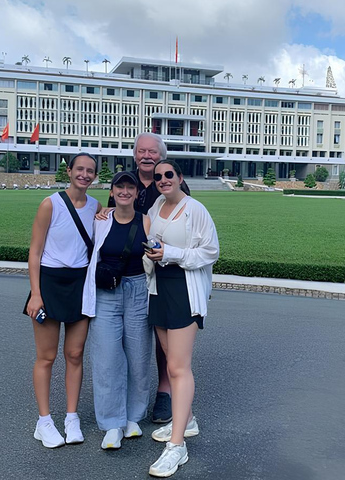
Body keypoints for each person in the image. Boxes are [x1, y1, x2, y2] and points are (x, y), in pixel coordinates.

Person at [100, 132, 190, 425]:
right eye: (142, 151)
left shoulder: (169, 179)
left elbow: (187, 223)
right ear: (135, 154)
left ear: (161, 155)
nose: (147, 156)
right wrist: (104, 213)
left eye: (153, 151)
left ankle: (165, 390)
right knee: (132, 339)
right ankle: (124, 401)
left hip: (165, 269)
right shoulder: (127, 182)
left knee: (164, 336)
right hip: (130, 272)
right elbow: (111, 216)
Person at [144, 159, 219, 478]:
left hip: (184, 290)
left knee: (178, 366)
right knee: (169, 360)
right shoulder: (156, 205)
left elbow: (210, 251)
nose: (163, 180)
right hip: (158, 289)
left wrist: (171, 254)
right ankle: (185, 420)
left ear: (180, 177)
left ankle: (177, 446)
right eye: (158, 176)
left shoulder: (195, 209)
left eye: (168, 175)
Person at [25, 153, 101, 449]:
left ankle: (71, 417)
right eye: (79, 169)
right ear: (69, 171)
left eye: (90, 171)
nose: (84, 174)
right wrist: (35, 293)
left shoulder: (96, 207)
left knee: (75, 353)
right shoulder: (50, 204)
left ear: (94, 176)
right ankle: (44, 421)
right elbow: (35, 251)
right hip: (49, 282)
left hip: (80, 283)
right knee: (47, 356)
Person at [87, 170, 153, 450]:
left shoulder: (146, 221)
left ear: (137, 194)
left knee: (138, 355)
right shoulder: (100, 221)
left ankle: (134, 416)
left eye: (130, 187)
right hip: (106, 294)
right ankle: (112, 422)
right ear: (112, 191)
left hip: (138, 291)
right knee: (107, 358)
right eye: (119, 187)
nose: (125, 191)